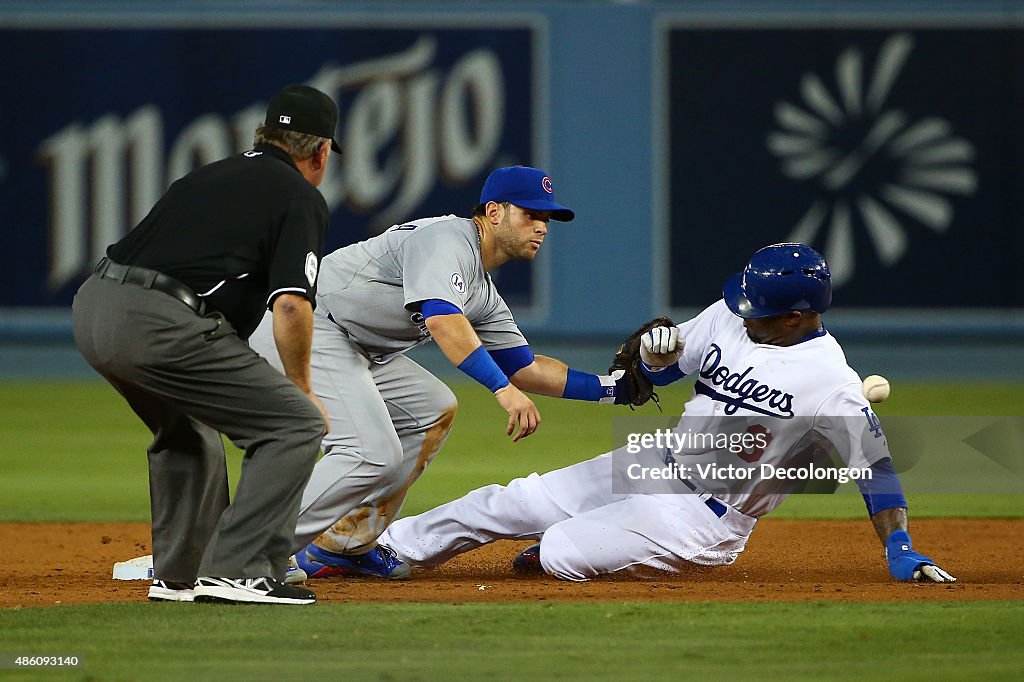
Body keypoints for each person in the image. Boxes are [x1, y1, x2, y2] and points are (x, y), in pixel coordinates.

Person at [378, 243, 957, 584]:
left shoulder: (830, 383)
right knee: (512, 501)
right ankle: (383, 549)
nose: (740, 310)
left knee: (556, 550)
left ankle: (579, 549)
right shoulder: (730, 317)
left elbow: (877, 474)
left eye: (755, 307)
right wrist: (656, 361)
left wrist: (899, 547)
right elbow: (659, 372)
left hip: (704, 520)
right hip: (656, 461)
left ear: (796, 316)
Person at [247, 165, 636, 581]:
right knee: (370, 450)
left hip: (358, 347)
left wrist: (616, 388)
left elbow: (525, 368)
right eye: (530, 214)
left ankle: (346, 543)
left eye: (546, 219)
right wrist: (501, 391)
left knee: (433, 408)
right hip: (308, 327)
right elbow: (443, 321)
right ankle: (249, 548)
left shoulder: (481, 291)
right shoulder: (447, 238)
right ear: (494, 212)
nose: (541, 227)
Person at [72, 84, 342, 605]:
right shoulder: (298, 195)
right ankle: (240, 570)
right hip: (160, 321)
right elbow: (290, 304)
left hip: (95, 307)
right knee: (294, 422)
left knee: (187, 428)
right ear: (321, 151)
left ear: (266, 135)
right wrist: (302, 388)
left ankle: (182, 573)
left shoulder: (208, 174)